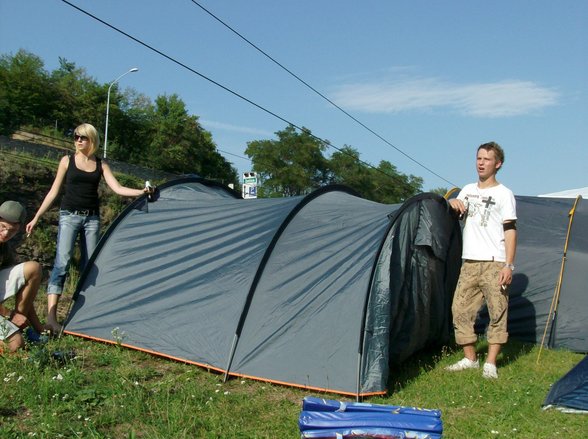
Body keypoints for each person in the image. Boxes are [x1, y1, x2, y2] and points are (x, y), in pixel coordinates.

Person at [25, 123, 151, 333]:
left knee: (90, 266)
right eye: (75, 137)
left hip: (91, 219)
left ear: (91, 140)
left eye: (82, 137)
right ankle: (51, 319)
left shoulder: (101, 164)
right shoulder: (67, 161)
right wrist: (37, 216)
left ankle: (84, 317)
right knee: (62, 262)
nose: (78, 141)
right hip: (69, 217)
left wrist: (141, 192)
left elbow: (118, 188)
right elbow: (54, 191)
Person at [445, 141, 517, 379]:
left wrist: (508, 264)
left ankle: (491, 363)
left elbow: (510, 230)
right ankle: (470, 358)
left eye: (486, 159)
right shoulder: (467, 189)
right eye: (478, 158)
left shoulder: (504, 194)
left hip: (495, 262)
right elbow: (455, 212)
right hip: (470, 262)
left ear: (498, 164)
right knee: (459, 309)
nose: (481, 163)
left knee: (498, 311)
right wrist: (452, 202)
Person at [1, 201, 50, 353]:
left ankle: (21, 329)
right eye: (2, 227)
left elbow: (23, 290)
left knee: (33, 268)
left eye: (12, 231)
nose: (6, 234)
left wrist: (38, 327)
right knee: (15, 344)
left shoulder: (4, 247)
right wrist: (9, 315)